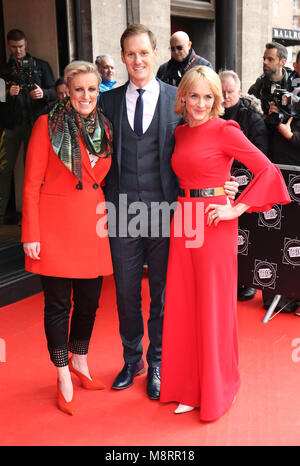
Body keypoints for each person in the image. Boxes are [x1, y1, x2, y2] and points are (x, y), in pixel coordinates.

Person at [100, 24, 237, 401]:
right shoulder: (107, 103)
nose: (138, 60)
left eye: (144, 52)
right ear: (123, 57)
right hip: (123, 211)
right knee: (127, 293)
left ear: (156, 53)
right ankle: (133, 360)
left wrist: (227, 182)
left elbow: (208, 137)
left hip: (167, 215)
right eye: (130, 54)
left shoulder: (176, 100)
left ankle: (158, 362)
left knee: (161, 293)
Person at [160, 65, 290, 421]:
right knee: (185, 306)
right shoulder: (181, 133)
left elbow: (268, 170)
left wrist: (236, 210)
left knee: (212, 308)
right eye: (194, 95)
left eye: (208, 97)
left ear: (216, 100)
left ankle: (217, 390)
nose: (200, 103)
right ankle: (190, 387)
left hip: (214, 223)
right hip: (184, 219)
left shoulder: (225, 129)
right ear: (183, 96)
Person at [21, 61, 113, 415]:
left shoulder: (103, 126)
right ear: (67, 92)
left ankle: (80, 360)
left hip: (91, 222)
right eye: (79, 90)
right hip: (55, 225)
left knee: (90, 301)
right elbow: (30, 184)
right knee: (58, 305)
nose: (86, 96)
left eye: (92, 89)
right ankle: (61, 373)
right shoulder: (47, 124)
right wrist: (31, 233)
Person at [220, 69, 269, 301]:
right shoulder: (210, 116)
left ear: (239, 92)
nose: (225, 96)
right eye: (221, 92)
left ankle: (246, 282)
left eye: (230, 92)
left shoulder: (252, 118)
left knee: (247, 239)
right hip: (217, 188)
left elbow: (261, 154)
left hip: (245, 188)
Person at [0, 29, 56, 224]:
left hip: (35, 124)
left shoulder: (40, 66)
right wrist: (7, 92)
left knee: (33, 170)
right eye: (14, 47)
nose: (18, 50)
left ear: (26, 44)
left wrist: (43, 93)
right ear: (8, 45)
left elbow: (56, 91)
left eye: (21, 46)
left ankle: (34, 213)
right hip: (12, 125)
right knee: (4, 168)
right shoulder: (3, 70)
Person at [248, 42, 291, 117]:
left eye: (270, 59)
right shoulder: (255, 89)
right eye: (264, 58)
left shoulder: (294, 86)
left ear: (282, 62)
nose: (265, 62)